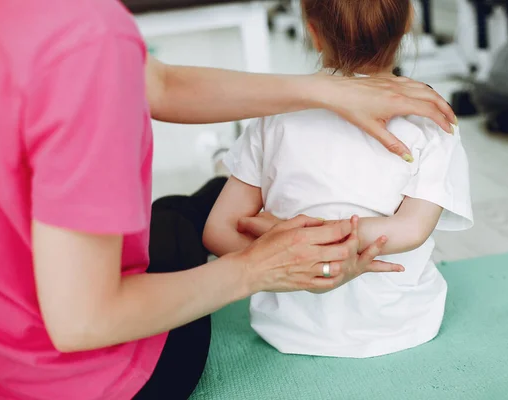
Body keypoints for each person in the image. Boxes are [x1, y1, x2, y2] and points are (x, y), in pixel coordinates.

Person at [0, 0, 457, 399]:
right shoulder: (83, 44)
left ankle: (231, 184)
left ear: (312, 31)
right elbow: (81, 323)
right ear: (409, 20)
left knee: (197, 205)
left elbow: (161, 87)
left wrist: (317, 96)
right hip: (76, 377)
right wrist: (258, 268)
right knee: (170, 216)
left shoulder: (30, 26)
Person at [203, 0, 474, 359]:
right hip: (401, 323)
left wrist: (290, 238)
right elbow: (410, 231)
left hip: (286, 327)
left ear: (313, 33)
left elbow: (218, 231)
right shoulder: (431, 120)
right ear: (409, 21)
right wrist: (333, 239)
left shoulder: (275, 117)